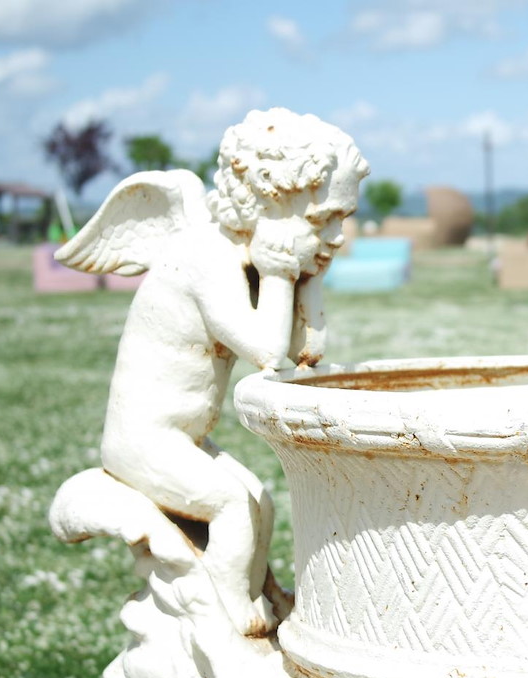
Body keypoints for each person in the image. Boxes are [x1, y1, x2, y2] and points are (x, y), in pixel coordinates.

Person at [58, 108, 369, 633]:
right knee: (231, 507)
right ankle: (228, 614)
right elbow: (268, 351)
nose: (338, 235)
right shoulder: (206, 255)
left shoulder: (246, 251)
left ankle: (263, 591)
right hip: (143, 441)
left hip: (181, 437)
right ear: (274, 198)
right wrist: (278, 273)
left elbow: (306, 351)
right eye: (324, 219)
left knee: (259, 503)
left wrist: (309, 278)